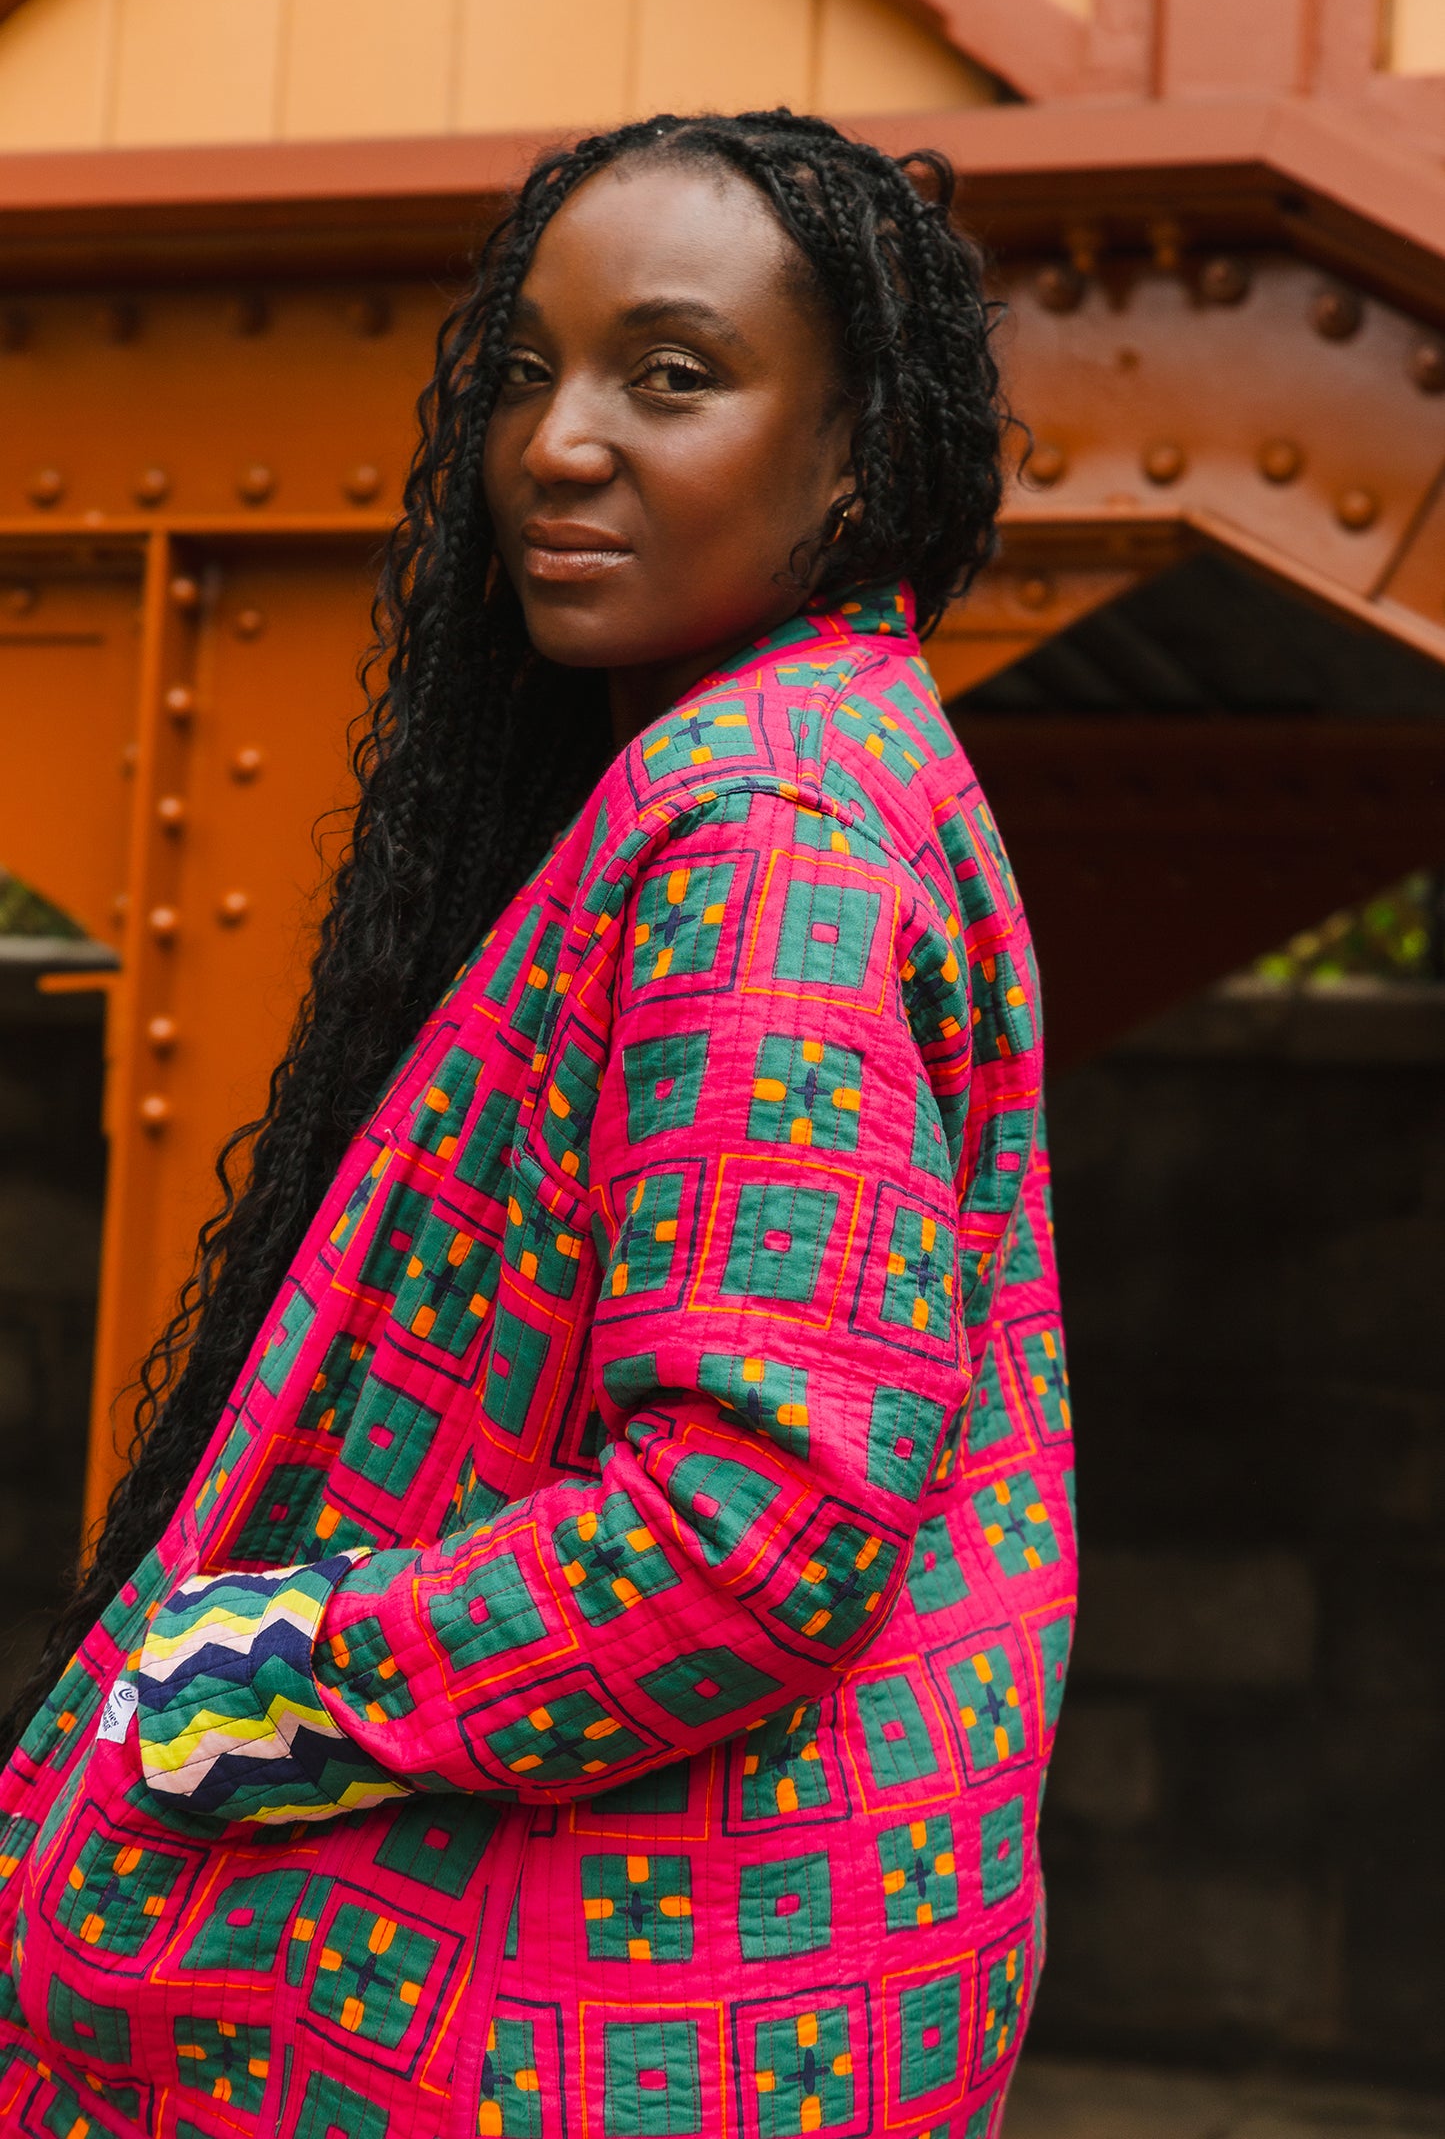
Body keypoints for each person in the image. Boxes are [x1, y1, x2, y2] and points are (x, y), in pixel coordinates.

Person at [0, 110, 1074, 2139]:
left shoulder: (766, 835)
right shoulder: (822, 761)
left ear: (859, 454)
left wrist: (306, 1660)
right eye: (523, 372)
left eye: (671, 377)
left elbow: (762, 1517)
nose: (556, 447)